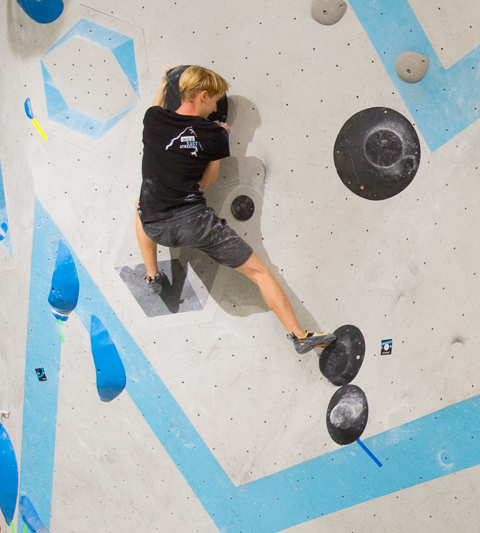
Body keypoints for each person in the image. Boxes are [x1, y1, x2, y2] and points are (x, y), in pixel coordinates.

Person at [135, 65, 336, 354]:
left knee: (141, 200)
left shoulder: (152, 119)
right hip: (195, 225)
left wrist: (165, 82)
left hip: (154, 223)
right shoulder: (214, 134)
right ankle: (298, 334)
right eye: (215, 99)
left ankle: (152, 275)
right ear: (203, 96)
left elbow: (155, 109)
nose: (217, 105)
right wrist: (219, 143)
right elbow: (206, 182)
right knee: (260, 273)